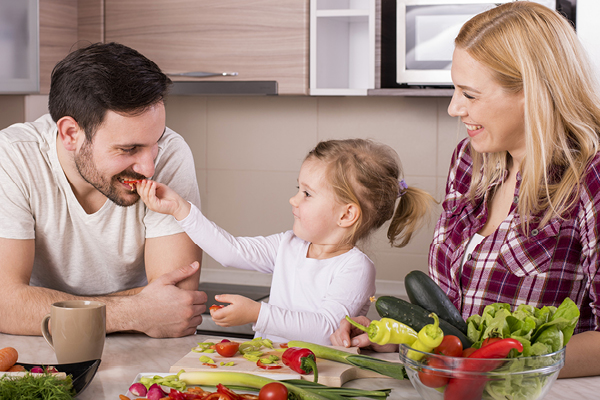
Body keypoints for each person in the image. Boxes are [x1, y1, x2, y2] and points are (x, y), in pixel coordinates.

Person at [331, 2, 600, 378]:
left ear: (533, 92)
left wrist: (488, 363)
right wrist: (398, 334)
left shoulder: (591, 176)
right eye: (454, 89)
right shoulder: (471, 161)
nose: (454, 108)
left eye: (470, 95)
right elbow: (450, 322)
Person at [137, 138, 435, 345]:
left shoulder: (355, 268)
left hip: (319, 377)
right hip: (270, 367)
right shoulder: (288, 245)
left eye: (307, 193)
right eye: (298, 188)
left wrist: (257, 314)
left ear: (346, 214)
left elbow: (327, 329)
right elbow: (230, 251)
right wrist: (180, 208)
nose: (294, 199)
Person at [0, 42, 206, 338]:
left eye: (154, 142)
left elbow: (176, 303)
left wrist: (38, 305)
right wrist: (136, 311)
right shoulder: (13, 156)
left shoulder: (171, 155)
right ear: (71, 133)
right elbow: (6, 305)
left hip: (140, 347)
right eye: (128, 148)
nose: (148, 167)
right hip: (45, 348)